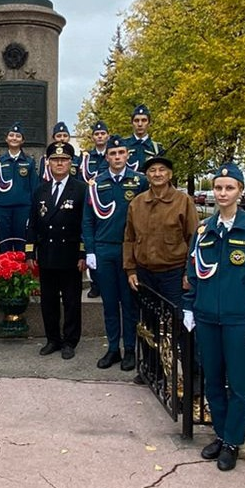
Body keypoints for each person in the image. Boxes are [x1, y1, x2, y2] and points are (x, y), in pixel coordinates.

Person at [182, 165, 245, 471]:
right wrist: (190, 306)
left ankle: (233, 441)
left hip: (239, 321)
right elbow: (193, 272)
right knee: (214, 382)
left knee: (240, 385)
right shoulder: (204, 231)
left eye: (229, 188)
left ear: (240, 191)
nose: (222, 193)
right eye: (218, 188)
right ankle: (221, 433)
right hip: (207, 318)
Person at [82, 136, 147, 370]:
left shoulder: (140, 181)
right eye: (113, 154)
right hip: (104, 249)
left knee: (129, 303)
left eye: (121, 153)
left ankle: (130, 349)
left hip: (129, 251)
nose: (117, 157)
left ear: (128, 155)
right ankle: (113, 349)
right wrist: (90, 251)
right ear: (106, 157)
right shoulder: (96, 184)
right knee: (109, 303)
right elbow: (88, 220)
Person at [26, 141, 87, 359]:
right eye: (55, 160)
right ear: (48, 163)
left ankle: (70, 341)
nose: (59, 163)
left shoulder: (81, 189)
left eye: (64, 160)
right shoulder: (40, 190)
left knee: (71, 301)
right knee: (48, 301)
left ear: (71, 163)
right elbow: (32, 223)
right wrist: (30, 253)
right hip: (48, 255)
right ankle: (52, 339)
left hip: (70, 255)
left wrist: (83, 253)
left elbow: (85, 225)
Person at [122, 154, 198, 309]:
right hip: (144, 274)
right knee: (147, 323)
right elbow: (129, 239)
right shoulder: (137, 203)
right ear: (147, 176)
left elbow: (194, 239)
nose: (157, 174)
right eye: (152, 170)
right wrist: (130, 271)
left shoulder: (183, 201)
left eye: (162, 170)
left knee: (175, 322)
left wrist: (188, 273)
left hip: (173, 274)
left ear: (169, 174)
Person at [0, 121, 36, 254]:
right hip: (2, 210)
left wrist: (32, 214)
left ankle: (21, 275)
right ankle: (5, 274)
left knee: (22, 248)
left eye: (18, 136)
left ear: (23, 140)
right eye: (11, 135)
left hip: (23, 210)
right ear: (6, 139)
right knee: (4, 248)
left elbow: (34, 189)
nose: (14, 138)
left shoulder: (29, 162)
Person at [122, 104, 165, 173]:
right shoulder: (123, 145)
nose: (140, 124)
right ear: (132, 123)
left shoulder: (156, 148)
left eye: (144, 120)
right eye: (136, 120)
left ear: (149, 123)